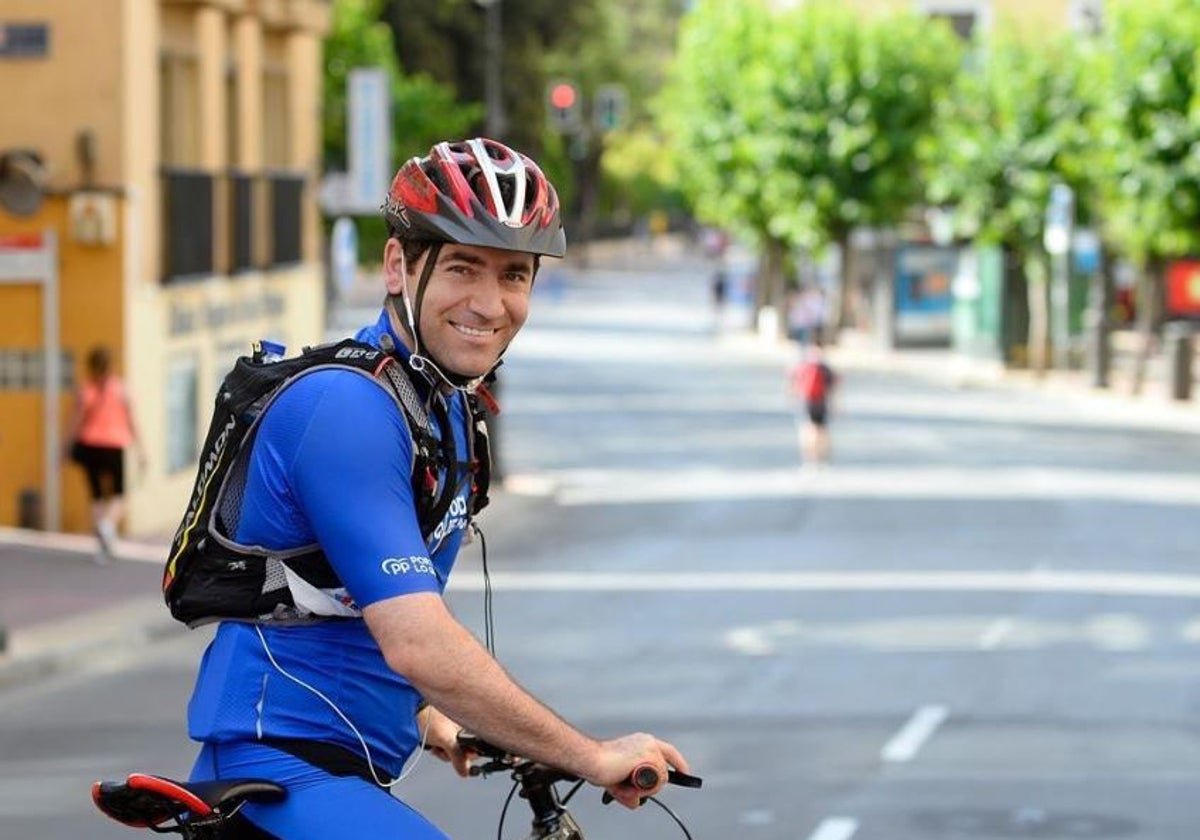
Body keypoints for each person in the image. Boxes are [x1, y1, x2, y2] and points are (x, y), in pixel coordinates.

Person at [184, 138, 690, 839]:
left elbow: (338, 602)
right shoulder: (347, 410)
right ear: (399, 266)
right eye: (462, 267)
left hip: (337, 768)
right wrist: (592, 756)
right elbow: (416, 643)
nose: (489, 303)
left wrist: (431, 720)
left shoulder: (442, 404)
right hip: (281, 773)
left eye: (514, 275)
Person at [65, 344, 144, 561]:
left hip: (89, 445)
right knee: (119, 494)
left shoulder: (86, 390)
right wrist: (141, 451)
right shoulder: (120, 389)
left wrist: (66, 445)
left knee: (97, 495)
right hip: (114, 445)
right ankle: (108, 525)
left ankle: (102, 545)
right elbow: (132, 421)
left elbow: (75, 421)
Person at [788, 337, 837, 467]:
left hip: (807, 401)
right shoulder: (825, 368)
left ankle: (809, 457)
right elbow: (833, 387)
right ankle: (823, 457)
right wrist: (835, 404)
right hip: (821, 403)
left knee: (808, 429)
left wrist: (793, 397)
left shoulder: (802, 366)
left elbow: (793, 382)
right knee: (822, 430)